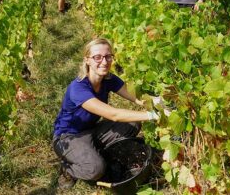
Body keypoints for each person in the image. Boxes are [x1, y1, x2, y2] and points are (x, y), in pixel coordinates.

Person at [52, 38, 158, 189]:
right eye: (97, 57)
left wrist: (158, 102)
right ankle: (69, 168)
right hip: (68, 137)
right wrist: (152, 116)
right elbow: (114, 114)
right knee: (96, 169)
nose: (104, 61)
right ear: (87, 60)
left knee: (132, 124)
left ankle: (94, 153)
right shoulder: (78, 88)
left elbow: (136, 98)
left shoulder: (108, 79)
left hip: (91, 130)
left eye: (108, 56)